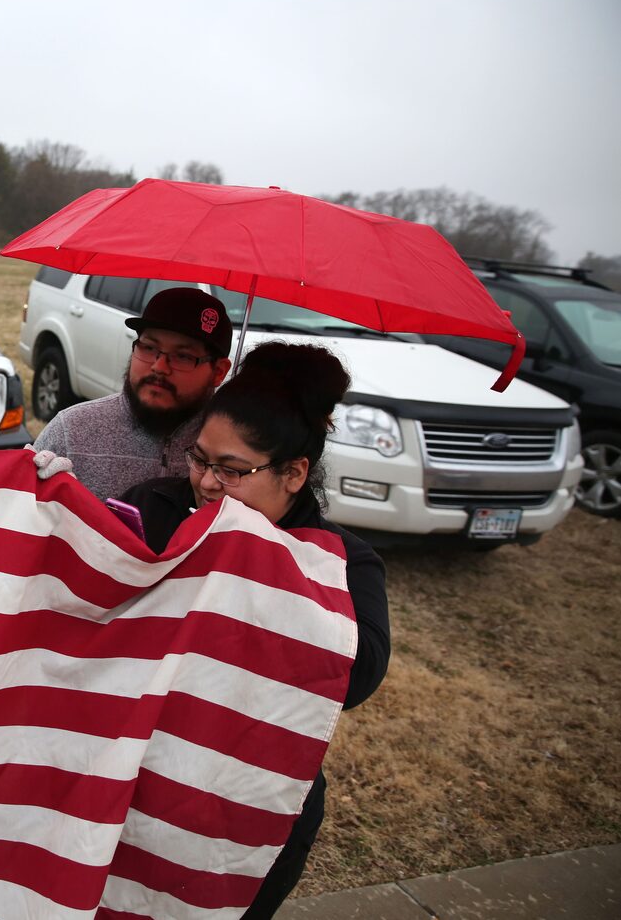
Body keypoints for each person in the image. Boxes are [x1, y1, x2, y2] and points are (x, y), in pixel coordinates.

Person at [118, 341, 391, 919]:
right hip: (131, 778)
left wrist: (254, 559)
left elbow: (359, 674)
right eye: (199, 459)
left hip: (246, 802)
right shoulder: (154, 506)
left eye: (232, 470)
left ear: (295, 473)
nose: (208, 483)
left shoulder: (344, 562)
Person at [32, 287, 233, 503]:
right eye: (148, 347)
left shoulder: (235, 448)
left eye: (182, 356)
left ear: (219, 371)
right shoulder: (71, 431)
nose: (159, 367)